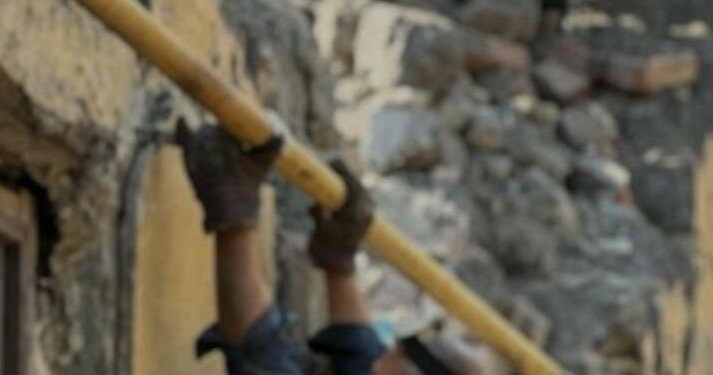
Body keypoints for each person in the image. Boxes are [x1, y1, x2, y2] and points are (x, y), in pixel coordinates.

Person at [177, 122, 487, 375]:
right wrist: (339, 260)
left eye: (399, 353)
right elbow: (359, 352)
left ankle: (234, 211)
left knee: (263, 357)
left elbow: (260, 350)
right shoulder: (380, 366)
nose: (387, 352)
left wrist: (234, 213)